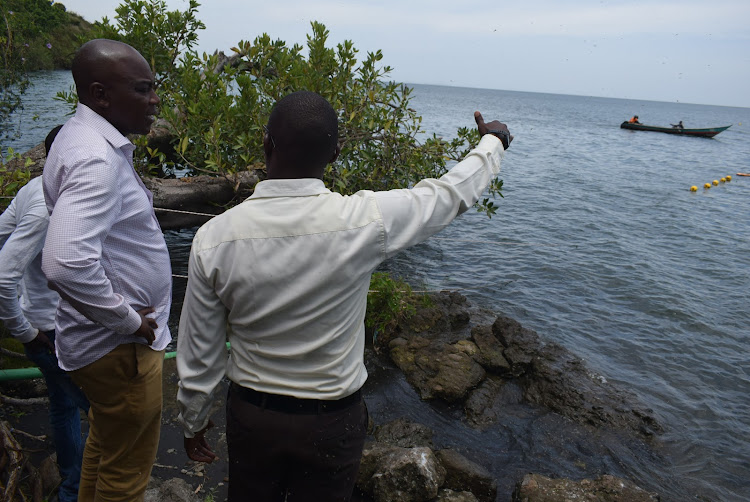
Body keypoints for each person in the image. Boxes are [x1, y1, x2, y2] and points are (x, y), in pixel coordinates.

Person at [176, 90, 512, 501]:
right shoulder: (364, 222)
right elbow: (446, 196)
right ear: (335, 153)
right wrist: (492, 142)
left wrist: (193, 420)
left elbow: (199, 347)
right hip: (331, 422)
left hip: (254, 417)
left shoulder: (214, 237)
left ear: (266, 143)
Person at [42, 39, 172, 502]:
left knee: (103, 447)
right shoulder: (96, 158)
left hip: (102, 346)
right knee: (128, 476)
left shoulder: (81, 138)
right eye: (143, 90)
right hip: (122, 350)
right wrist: (129, 320)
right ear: (100, 95)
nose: (155, 100)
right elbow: (64, 262)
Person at [0, 126, 89, 502]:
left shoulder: (33, 189)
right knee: (105, 407)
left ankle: (73, 483)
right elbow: (4, 276)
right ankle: (81, 487)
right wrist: (22, 329)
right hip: (53, 330)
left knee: (64, 406)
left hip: (49, 322)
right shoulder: (46, 206)